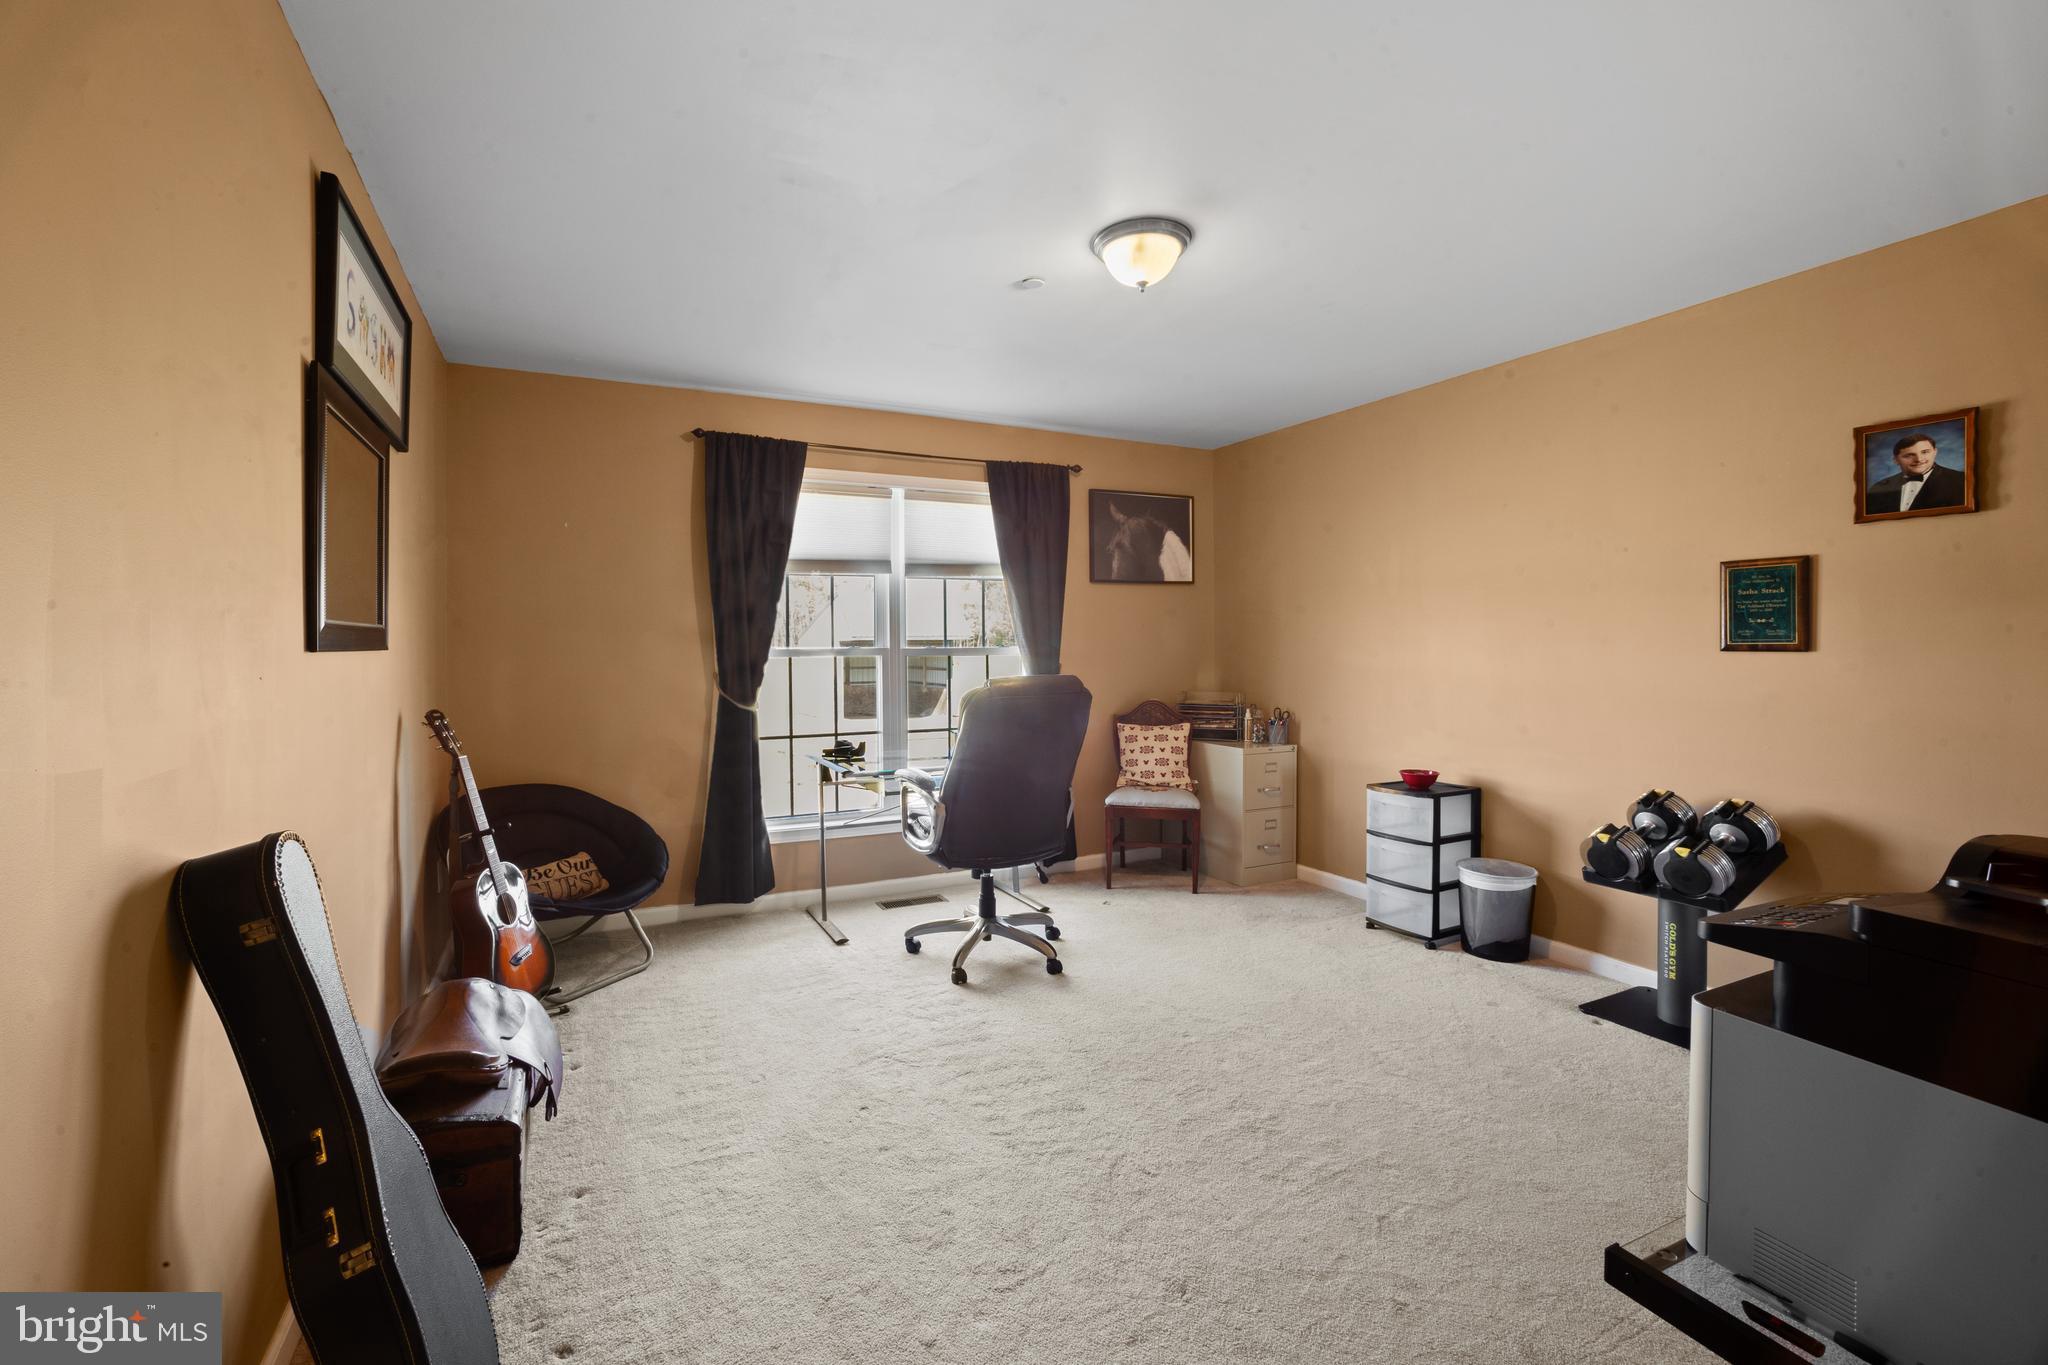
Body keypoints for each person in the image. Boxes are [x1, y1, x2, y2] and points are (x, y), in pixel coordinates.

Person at [1866, 432, 1965, 514]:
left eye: (1925, 452)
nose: (1919, 459)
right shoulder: (1879, 488)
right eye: (1909, 455)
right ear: (1896, 460)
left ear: (1935, 452)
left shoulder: (1960, 481)